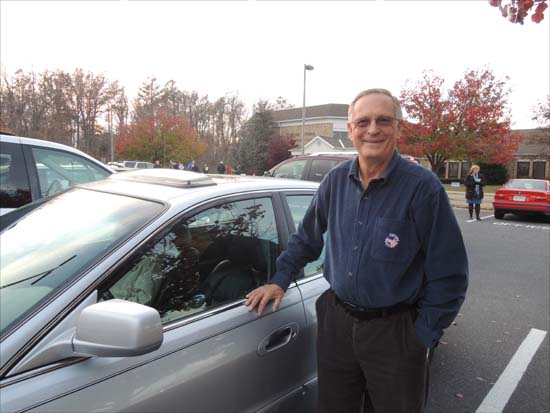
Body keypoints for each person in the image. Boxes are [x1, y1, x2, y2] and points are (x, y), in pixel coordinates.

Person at [245, 88, 468, 413]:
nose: (373, 129)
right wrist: (279, 279)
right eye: (363, 121)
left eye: (383, 120)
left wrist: (422, 335)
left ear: (398, 128)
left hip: (396, 333)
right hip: (338, 323)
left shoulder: (423, 189)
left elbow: (450, 273)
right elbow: (306, 239)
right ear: (350, 130)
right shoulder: (334, 182)